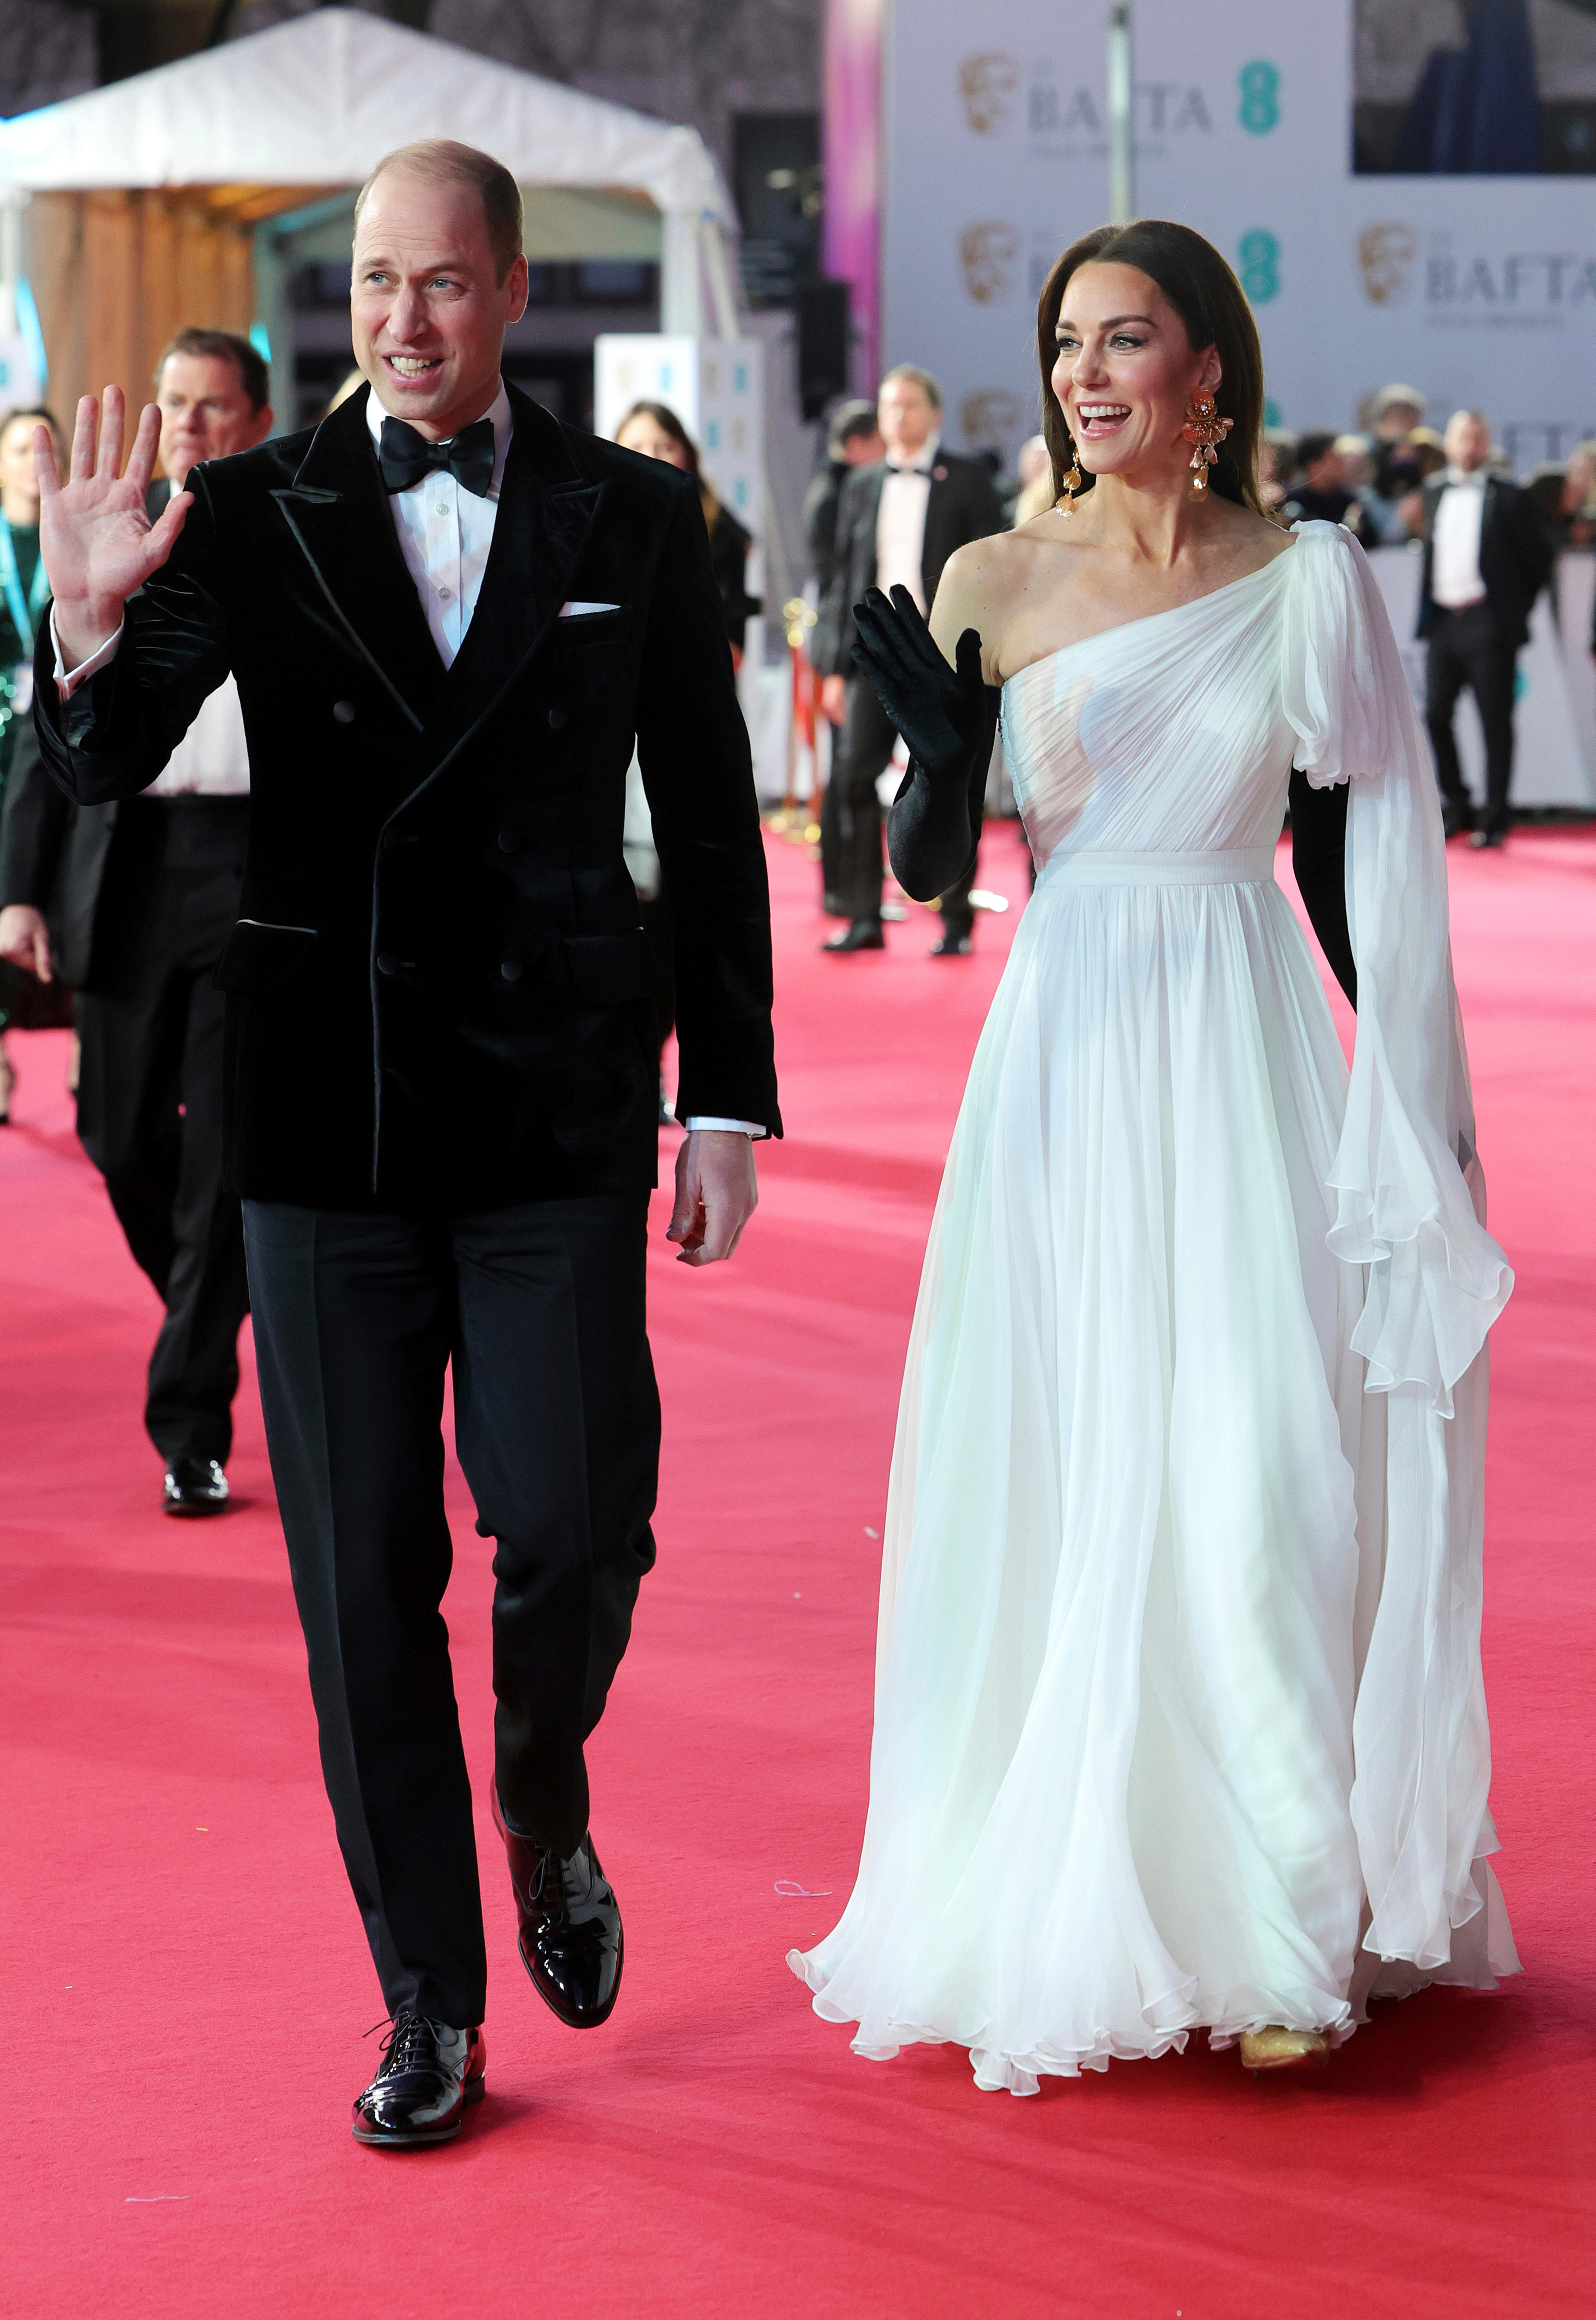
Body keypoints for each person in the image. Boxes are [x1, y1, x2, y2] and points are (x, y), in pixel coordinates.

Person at [32, 139, 779, 2149]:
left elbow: (706, 821)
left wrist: (724, 1089)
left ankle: (545, 1795)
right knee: (360, 1582)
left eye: (440, 281)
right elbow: (107, 761)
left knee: (572, 1530)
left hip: (553, 1103)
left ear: (513, 288)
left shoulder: (634, 510)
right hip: (324, 1114)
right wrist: (82, 622)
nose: (400, 318)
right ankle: (429, 1998)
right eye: (372, 280)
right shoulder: (257, 511)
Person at [790, 218, 1516, 2092]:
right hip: (1066, 1052)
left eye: (1126, 340)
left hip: (1251, 1043)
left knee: (1263, 1462)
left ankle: (1281, 1911)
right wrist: (940, 767)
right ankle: (1088, 1886)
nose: (1085, 375)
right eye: (1062, 344)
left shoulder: (1305, 580)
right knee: (1070, 1460)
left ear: (1212, 374)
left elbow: (1362, 875)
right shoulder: (984, 572)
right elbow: (935, 871)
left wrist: (1410, 1118)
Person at [1, 338, 266, 1514]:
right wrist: (16, 887)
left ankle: (190, 1418)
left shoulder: (288, 536)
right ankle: (212, 1308)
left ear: (256, 418)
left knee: (219, 1170)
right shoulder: (106, 530)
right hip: (126, 865)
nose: (193, 425)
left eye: (215, 408)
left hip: (258, 873)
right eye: (176, 405)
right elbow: (38, 731)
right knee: (117, 1143)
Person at [812, 364, 1005, 954]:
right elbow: (843, 573)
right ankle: (864, 912)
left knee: (957, 779)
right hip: (877, 649)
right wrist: (832, 666)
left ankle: (955, 920)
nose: (897, 416)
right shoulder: (861, 483)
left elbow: (991, 569)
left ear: (935, 414)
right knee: (851, 778)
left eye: (909, 406)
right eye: (889, 406)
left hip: (947, 650)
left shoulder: (968, 480)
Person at [1417, 409, 1553, 848]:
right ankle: (1457, 805)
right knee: (1436, 715)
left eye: (1478, 438)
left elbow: (1538, 559)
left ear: (1487, 443)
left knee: (1495, 723)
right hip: (1444, 622)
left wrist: (1512, 612)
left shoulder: (1510, 497)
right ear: (1449, 443)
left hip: (1489, 623)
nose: (1470, 446)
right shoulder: (1434, 491)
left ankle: (1495, 817)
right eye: (1462, 438)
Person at [0, 405, 70, 1117]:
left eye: (45, 448)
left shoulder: (72, 535)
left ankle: (82, 1037)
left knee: (59, 876)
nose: (31, 461)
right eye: (20, 448)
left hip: (56, 732)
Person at [805, 400, 886, 917]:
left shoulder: (833, 486)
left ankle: (841, 886)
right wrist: (836, 666)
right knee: (844, 772)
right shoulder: (838, 492)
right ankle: (839, 886)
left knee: (844, 770)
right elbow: (839, 584)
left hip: (841, 641)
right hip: (841, 644)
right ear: (858, 444)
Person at [613, 400, 759, 660]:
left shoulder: (718, 525)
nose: (651, 457)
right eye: (635, 447)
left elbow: (733, 641)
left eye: (665, 447)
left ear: (688, 455)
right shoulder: (599, 523)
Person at [1281, 430, 1363, 532]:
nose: (1341, 463)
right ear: (1314, 466)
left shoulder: (1351, 503)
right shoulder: (1291, 503)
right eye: (1334, 458)